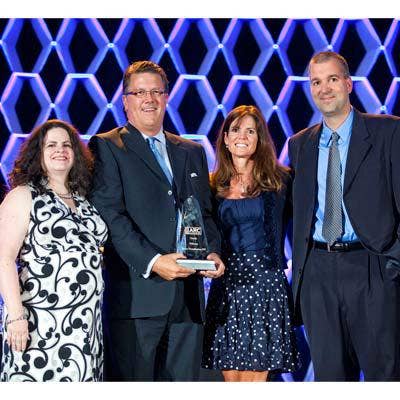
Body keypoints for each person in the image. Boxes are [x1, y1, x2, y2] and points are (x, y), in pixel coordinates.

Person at [89, 60, 225, 381]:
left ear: (166, 97)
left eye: (156, 91)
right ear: (125, 101)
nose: (149, 99)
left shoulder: (191, 150)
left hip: (188, 299)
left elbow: (203, 213)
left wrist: (213, 251)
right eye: (139, 92)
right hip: (138, 298)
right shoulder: (107, 145)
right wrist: (154, 261)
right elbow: (111, 216)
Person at [288, 50, 400, 381]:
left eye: (332, 79)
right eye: (316, 82)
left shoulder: (388, 132)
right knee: (331, 378)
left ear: (349, 84)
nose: (324, 88)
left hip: (373, 267)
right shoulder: (300, 144)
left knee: (385, 375)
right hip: (318, 273)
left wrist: (394, 261)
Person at [0, 119, 108, 382]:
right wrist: (15, 316)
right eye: (51, 145)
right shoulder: (24, 196)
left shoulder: (84, 201)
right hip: (38, 325)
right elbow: (3, 258)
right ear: (38, 153)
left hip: (85, 328)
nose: (60, 150)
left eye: (66, 144)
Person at [202, 105, 300, 382]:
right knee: (230, 380)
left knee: (254, 380)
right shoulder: (211, 186)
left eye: (250, 131)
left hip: (265, 287)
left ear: (260, 139)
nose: (242, 136)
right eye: (235, 130)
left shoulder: (281, 181)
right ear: (225, 138)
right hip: (227, 289)